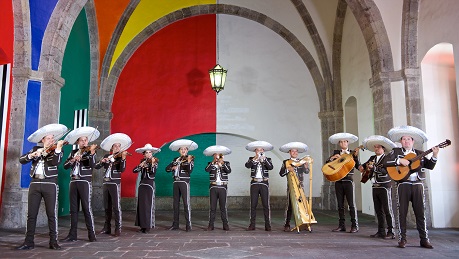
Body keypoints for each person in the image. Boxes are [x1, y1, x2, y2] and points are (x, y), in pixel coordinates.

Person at [386, 126, 439, 249]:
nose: (406, 141)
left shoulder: (420, 153)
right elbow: (385, 163)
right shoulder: (396, 152)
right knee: (402, 212)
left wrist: (435, 155)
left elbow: (430, 166)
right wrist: (398, 162)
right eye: (403, 139)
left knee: (420, 213)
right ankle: (402, 239)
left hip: (417, 185)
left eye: (408, 139)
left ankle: (424, 239)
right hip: (403, 185)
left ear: (413, 141)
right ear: (401, 141)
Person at [16, 123, 68, 250]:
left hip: (50, 184)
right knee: (31, 214)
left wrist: (58, 148)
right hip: (34, 183)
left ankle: (53, 241)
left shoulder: (58, 150)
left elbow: (55, 162)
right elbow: (22, 160)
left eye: (52, 138)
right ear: (43, 140)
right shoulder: (35, 149)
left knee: (51, 214)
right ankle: (28, 242)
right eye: (48, 138)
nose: (51, 140)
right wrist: (32, 155)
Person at [61, 126, 100, 242]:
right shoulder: (73, 152)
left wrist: (91, 153)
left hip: (84, 181)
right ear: (78, 142)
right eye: (82, 140)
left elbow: (92, 165)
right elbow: (65, 166)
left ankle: (91, 234)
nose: (84, 142)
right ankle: (72, 234)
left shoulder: (90, 152)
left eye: (86, 140)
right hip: (73, 181)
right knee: (73, 209)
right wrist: (72, 160)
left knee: (87, 208)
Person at [358, 135, 396, 239]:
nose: (376, 149)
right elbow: (363, 166)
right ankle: (381, 231)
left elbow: (386, 171)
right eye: (375, 147)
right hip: (374, 186)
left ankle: (391, 232)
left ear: (383, 148)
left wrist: (374, 168)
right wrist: (361, 167)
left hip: (384, 186)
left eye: (378, 147)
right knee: (378, 210)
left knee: (388, 210)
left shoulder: (387, 158)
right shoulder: (372, 158)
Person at [95, 133, 132, 237]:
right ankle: (106, 227)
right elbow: (97, 167)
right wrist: (102, 161)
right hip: (106, 182)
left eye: (118, 146)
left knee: (116, 206)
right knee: (107, 206)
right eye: (115, 146)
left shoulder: (120, 157)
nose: (117, 147)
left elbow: (122, 169)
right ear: (112, 147)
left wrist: (123, 158)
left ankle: (118, 227)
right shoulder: (107, 156)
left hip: (115, 183)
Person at [326, 132, 361, 233]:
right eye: (340, 142)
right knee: (340, 204)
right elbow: (328, 164)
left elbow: (358, 165)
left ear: (347, 143)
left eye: (344, 142)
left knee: (351, 204)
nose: (342, 144)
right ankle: (342, 225)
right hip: (338, 180)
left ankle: (354, 225)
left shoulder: (352, 153)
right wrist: (332, 158)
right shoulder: (336, 152)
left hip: (348, 180)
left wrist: (362, 168)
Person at [165, 139, 198, 232]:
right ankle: (175, 224)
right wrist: (173, 167)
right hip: (176, 182)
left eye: (185, 149)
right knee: (175, 204)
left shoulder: (190, 158)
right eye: (181, 149)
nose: (183, 151)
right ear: (179, 151)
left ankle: (188, 225)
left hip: (184, 182)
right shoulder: (175, 159)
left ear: (187, 150)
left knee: (186, 203)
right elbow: (167, 169)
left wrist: (188, 161)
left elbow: (190, 170)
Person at [278, 142, 309, 232]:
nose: (295, 153)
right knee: (290, 205)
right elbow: (281, 174)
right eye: (293, 151)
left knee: (303, 204)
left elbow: (306, 172)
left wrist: (306, 167)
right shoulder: (286, 162)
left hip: (300, 186)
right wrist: (288, 169)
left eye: (296, 151)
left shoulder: (302, 161)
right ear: (290, 152)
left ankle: (304, 223)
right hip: (291, 186)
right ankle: (287, 224)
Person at [245, 140, 274, 231]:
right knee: (253, 204)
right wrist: (255, 159)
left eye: (261, 150)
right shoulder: (251, 159)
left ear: (263, 151)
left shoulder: (267, 159)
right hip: (254, 183)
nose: (259, 151)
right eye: (258, 150)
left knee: (266, 204)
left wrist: (264, 159)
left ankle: (267, 225)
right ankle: (252, 224)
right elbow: (247, 165)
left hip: (264, 183)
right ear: (255, 151)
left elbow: (270, 167)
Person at [133, 143, 161, 233]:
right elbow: (134, 170)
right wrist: (140, 165)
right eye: (147, 153)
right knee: (141, 205)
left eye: (150, 152)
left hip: (149, 184)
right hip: (142, 184)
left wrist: (150, 165)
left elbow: (152, 173)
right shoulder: (143, 162)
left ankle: (148, 226)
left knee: (148, 205)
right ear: (144, 154)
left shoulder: (155, 162)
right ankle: (142, 225)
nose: (149, 154)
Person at [203, 145, 232, 231]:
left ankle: (225, 225)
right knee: (212, 207)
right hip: (213, 186)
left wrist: (222, 163)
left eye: (219, 154)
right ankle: (211, 225)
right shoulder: (210, 164)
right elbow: (207, 170)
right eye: (215, 154)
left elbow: (228, 171)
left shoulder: (226, 163)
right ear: (213, 155)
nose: (217, 156)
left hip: (223, 186)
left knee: (223, 206)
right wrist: (213, 162)